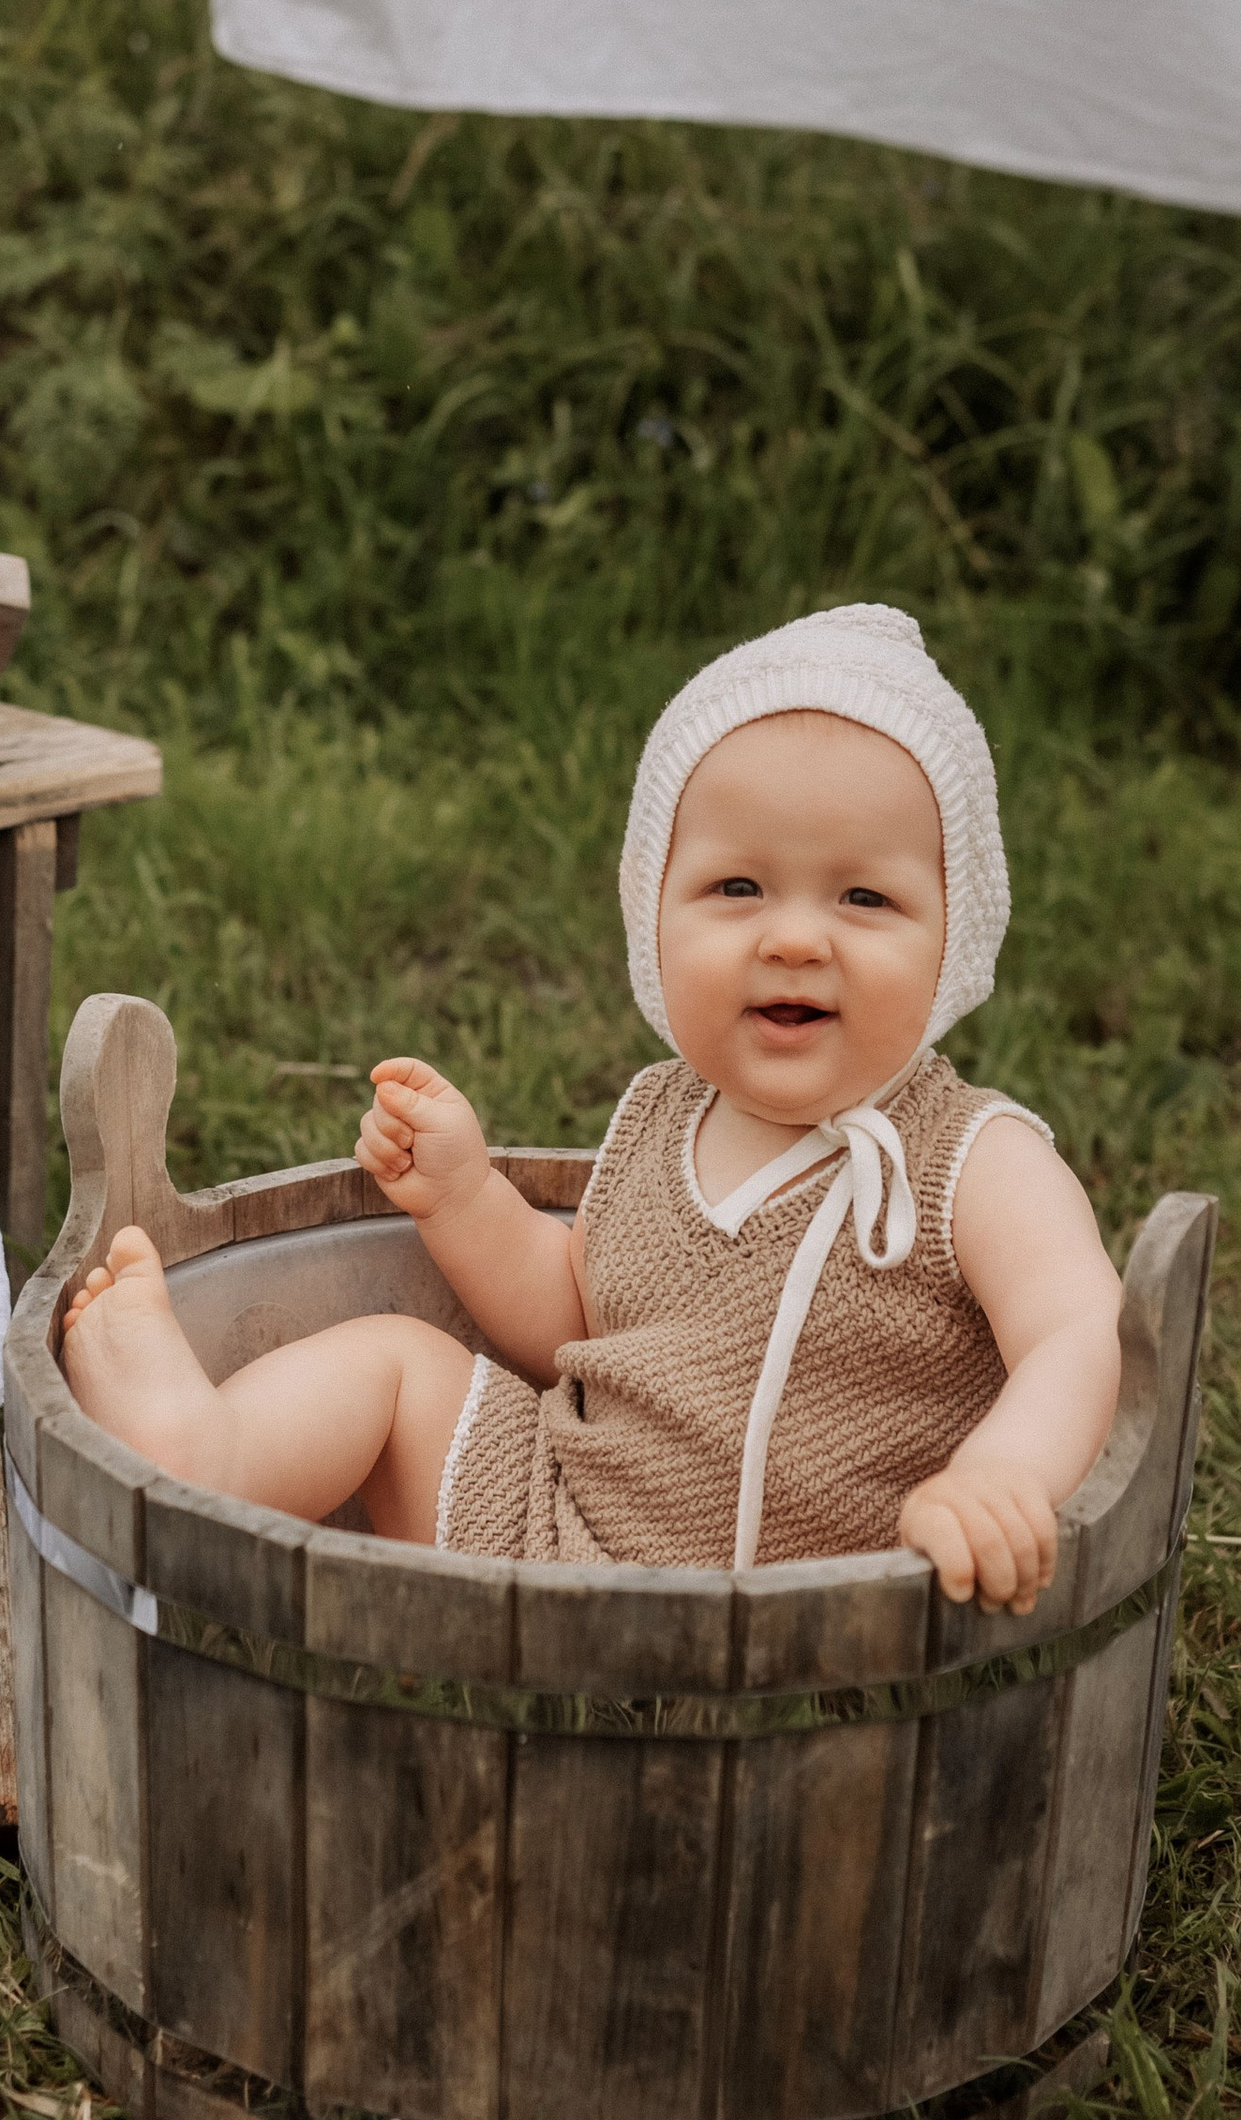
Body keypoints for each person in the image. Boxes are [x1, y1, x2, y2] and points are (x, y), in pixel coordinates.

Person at [61, 607, 1121, 1611]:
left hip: (835, 1611)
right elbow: (577, 1319)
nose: (795, 939)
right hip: (560, 1554)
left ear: (955, 938)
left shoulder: (970, 1159)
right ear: (650, 913)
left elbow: (1080, 1330)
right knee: (394, 1362)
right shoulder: (661, 1117)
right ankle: (200, 1457)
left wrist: (1001, 1475)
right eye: (738, 888)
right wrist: (465, 1199)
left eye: (864, 898)